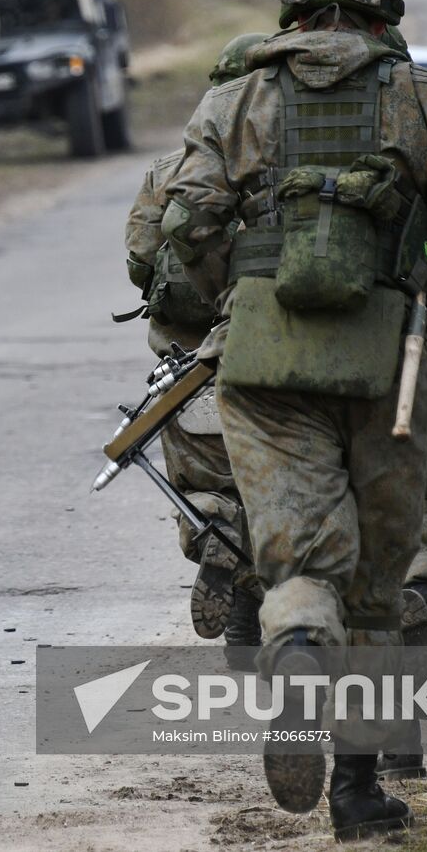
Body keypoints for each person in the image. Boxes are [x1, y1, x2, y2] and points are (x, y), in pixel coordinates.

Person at [163, 0, 427, 840]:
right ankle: (358, 794)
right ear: (383, 16)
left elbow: (183, 225)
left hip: (264, 369)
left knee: (297, 563)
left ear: (289, 18)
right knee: (374, 581)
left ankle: (291, 668)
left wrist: (239, 294)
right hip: (395, 369)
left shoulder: (232, 98)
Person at [121, 33, 268, 650]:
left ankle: (228, 576)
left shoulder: (168, 172)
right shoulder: (281, 169)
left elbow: (139, 262)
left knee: (211, 493)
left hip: (189, 370)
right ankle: (267, 614)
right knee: (285, 487)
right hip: (270, 353)